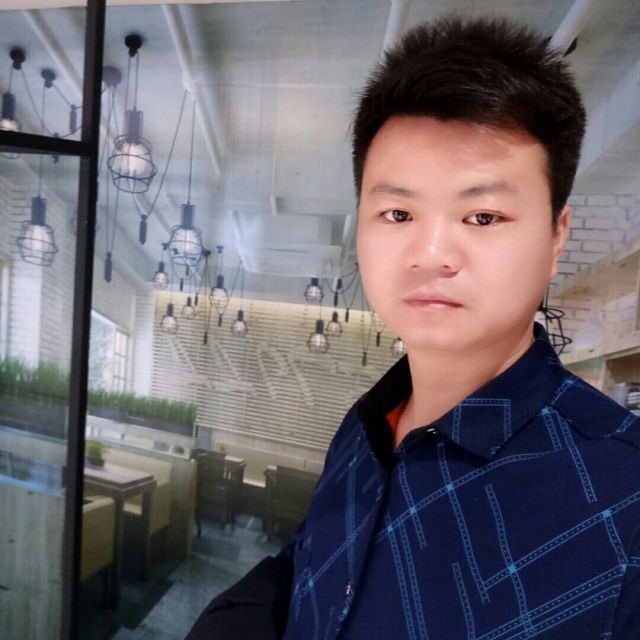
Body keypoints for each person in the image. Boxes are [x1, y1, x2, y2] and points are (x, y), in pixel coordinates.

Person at [187, 15, 640, 640]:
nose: (431, 255)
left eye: (483, 217)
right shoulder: (365, 429)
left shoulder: (624, 495)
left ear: (556, 235)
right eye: (398, 213)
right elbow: (311, 566)